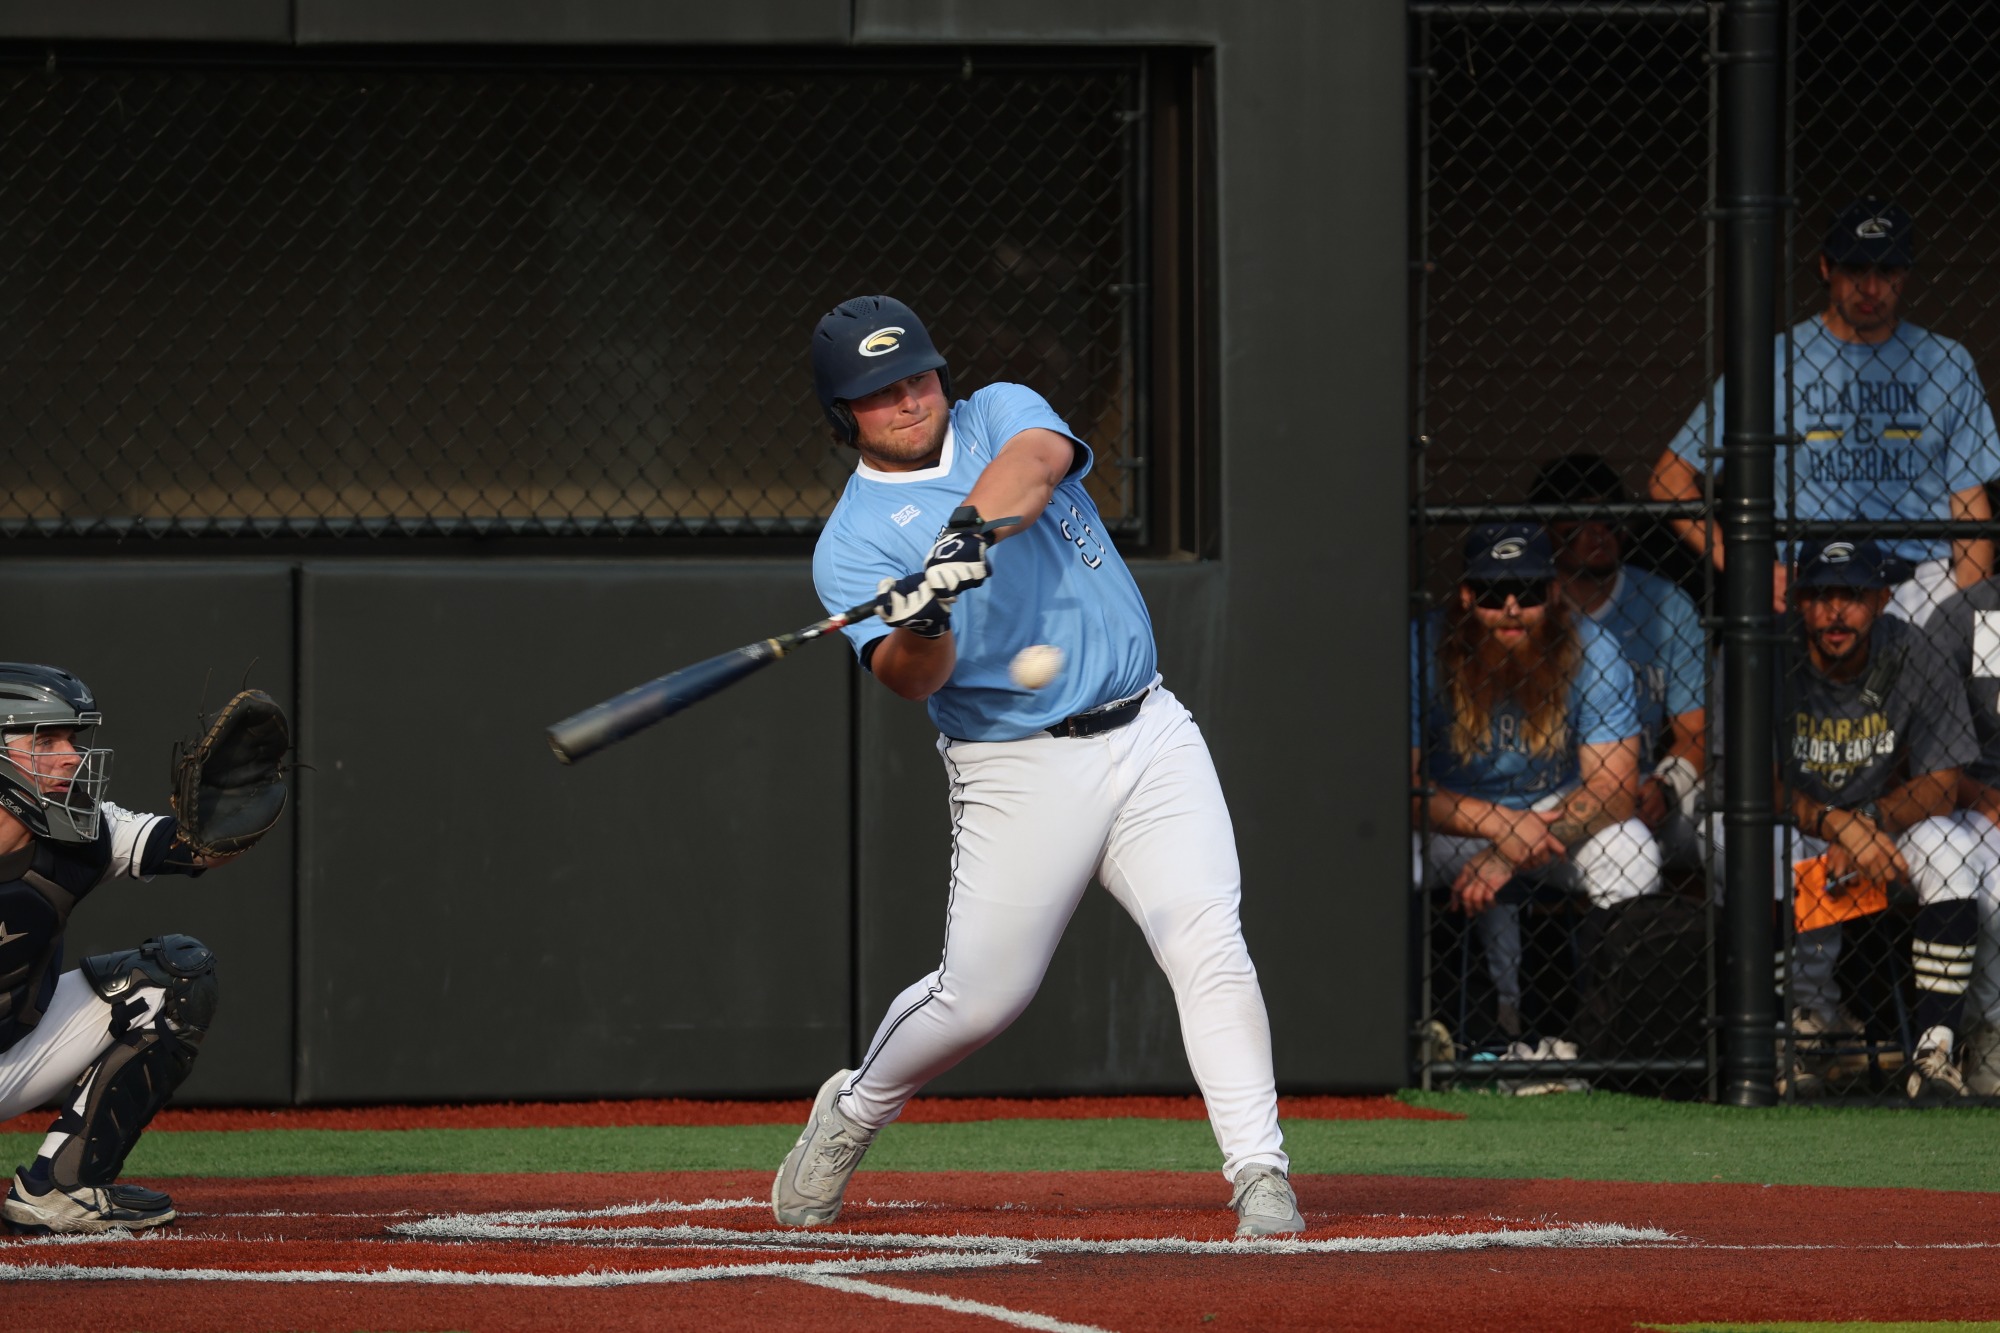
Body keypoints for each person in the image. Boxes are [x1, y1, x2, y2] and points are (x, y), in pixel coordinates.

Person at [773, 295, 1301, 1238]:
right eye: (878, 390)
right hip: (1016, 765)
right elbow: (906, 677)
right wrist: (927, 615)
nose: (908, 398)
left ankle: (1261, 1174)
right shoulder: (852, 545)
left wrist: (963, 535)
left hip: (1148, 729)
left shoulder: (1000, 410)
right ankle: (853, 1109)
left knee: (1206, 939)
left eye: (917, 374)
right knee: (980, 1000)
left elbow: (1037, 465)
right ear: (840, 413)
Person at [1710, 540, 1980, 1097]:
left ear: (1883, 598)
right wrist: (1838, 824)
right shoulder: (1757, 651)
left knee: (1949, 845)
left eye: (1853, 594)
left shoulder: (1915, 651)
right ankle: (1786, 1037)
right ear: (1797, 601)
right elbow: (1748, 782)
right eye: (1820, 594)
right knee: (1754, 843)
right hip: (1782, 821)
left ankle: (1934, 1055)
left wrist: (1866, 820)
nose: (1836, 610)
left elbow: (1942, 784)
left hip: (1874, 832)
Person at [1650, 200, 2000, 625]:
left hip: (1921, 585)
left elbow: (1969, 503)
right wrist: (1749, 570)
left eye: (1886, 272)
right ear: (1825, 268)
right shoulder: (1773, 363)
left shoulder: (1945, 361)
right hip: (1814, 582)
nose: (1871, 289)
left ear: (1904, 276)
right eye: (1856, 270)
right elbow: (1669, 480)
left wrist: (1970, 619)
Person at [0, 665, 260, 1233]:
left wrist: (232, 810)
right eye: (45, 740)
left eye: (72, 739)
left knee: (176, 975)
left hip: (10, 1054)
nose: (70, 755)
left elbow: (194, 848)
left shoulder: (81, 831)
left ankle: (62, 1188)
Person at [1412, 524, 1660, 1045]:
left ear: (1551, 593)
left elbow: (1614, 790)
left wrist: (1508, 851)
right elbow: (1397, 785)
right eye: (1490, 592)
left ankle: (1605, 1043)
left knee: (1633, 853)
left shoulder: (1595, 648)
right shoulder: (1421, 647)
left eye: (1525, 591)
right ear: (1464, 596)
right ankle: (1417, 1030)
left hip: (1555, 818)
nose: (1509, 607)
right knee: (1376, 854)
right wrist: (1502, 826)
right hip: (1449, 820)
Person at [1530, 454, 1707, 869]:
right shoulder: (1523, 607)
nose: (1597, 533)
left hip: (1646, 788)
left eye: (1608, 519)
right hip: (1547, 790)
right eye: (1578, 520)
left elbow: (1695, 733)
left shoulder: (1667, 604)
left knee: (1726, 832)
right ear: (1546, 529)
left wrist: (1666, 786)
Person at [1916, 574, 2000, 1094]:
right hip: (1979, 798)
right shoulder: (1968, 615)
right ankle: (1990, 1030)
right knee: (1991, 885)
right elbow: (1923, 745)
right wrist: (1985, 799)